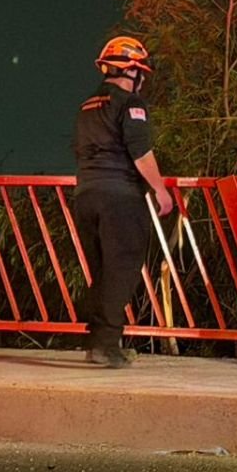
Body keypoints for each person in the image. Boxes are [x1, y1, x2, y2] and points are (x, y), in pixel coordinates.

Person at [72, 36, 173, 369]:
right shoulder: (132, 104)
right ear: (131, 71)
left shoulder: (87, 105)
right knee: (122, 271)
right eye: (141, 72)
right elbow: (141, 152)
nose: (142, 80)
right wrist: (160, 190)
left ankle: (99, 341)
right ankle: (106, 346)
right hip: (120, 199)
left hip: (86, 195)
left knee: (102, 272)